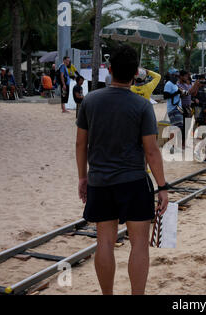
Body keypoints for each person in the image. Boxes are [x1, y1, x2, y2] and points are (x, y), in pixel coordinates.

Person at [76, 44, 168, 295]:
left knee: (104, 242)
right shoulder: (142, 105)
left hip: (99, 181)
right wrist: (162, 187)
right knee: (139, 245)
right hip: (133, 182)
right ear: (135, 73)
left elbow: (80, 143)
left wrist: (83, 178)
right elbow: (151, 151)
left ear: (109, 69)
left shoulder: (90, 101)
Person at [164, 69, 185, 148]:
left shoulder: (175, 85)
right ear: (171, 75)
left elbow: (176, 95)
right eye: (175, 76)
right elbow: (165, 96)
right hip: (173, 109)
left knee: (177, 127)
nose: (177, 77)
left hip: (178, 108)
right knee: (175, 127)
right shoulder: (168, 84)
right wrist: (177, 93)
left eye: (178, 76)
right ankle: (171, 145)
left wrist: (181, 93)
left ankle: (172, 145)